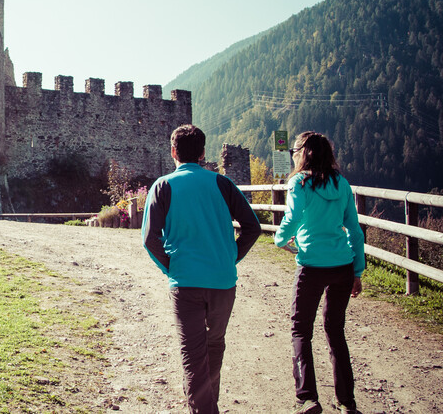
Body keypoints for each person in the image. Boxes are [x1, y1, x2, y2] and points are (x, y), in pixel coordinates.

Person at [143, 124, 262, 414]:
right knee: (214, 346)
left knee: (193, 354)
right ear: (203, 152)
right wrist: (229, 257)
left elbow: (149, 239)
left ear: (173, 151)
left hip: (185, 283)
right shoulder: (222, 184)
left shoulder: (164, 186)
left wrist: (171, 267)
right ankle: (208, 406)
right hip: (223, 282)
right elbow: (253, 228)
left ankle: (204, 410)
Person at [273, 131, 366, 414]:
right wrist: (358, 271)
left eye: (294, 151)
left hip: (311, 265)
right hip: (342, 265)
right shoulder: (342, 183)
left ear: (303, 153)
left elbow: (294, 216)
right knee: (336, 331)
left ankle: (308, 398)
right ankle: (347, 402)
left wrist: (280, 239)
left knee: (301, 330)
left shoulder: (299, 183)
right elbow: (355, 231)